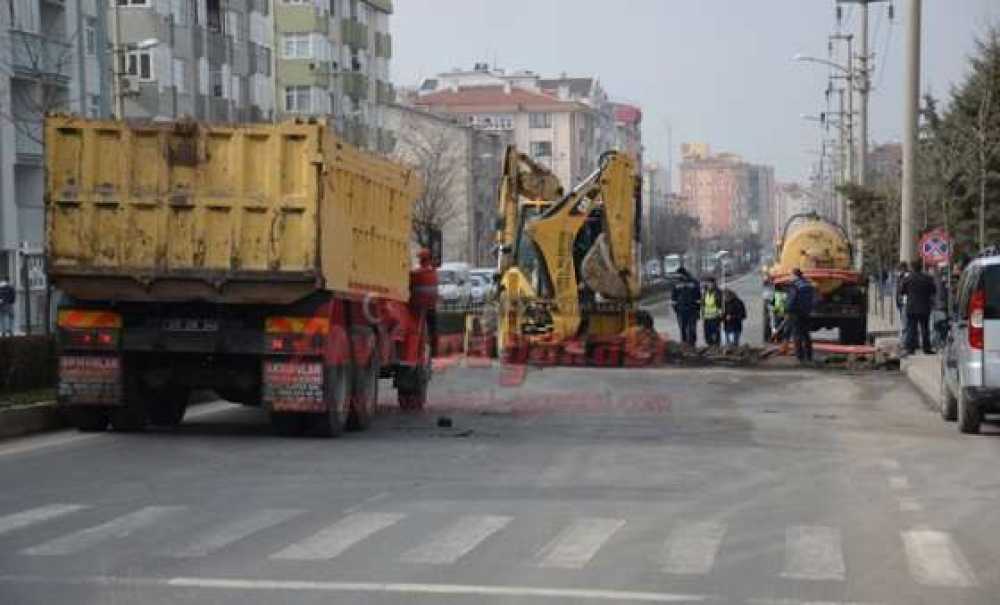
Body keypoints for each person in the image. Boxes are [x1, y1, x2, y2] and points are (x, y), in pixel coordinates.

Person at [901, 261, 937, 355]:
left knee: (911, 328)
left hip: (911, 307)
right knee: (925, 328)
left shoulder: (908, 278)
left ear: (912, 268)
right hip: (924, 306)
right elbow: (933, 290)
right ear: (921, 268)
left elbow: (902, 291)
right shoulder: (928, 278)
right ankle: (926, 348)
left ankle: (910, 348)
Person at [786, 268, 815, 363]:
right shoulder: (808, 284)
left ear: (795, 276)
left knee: (797, 335)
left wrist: (788, 310)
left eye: (791, 275)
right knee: (806, 335)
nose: (790, 277)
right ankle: (809, 356)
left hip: (796, 313)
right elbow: (814, 299)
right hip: (806, 313)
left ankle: (800, 357)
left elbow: (792, 300)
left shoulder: (795, 285)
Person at [671, 267, 701, 346]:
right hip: (681, 311)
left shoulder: (694, 282)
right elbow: (673, 298)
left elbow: (698, 296)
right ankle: (684, 345)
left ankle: (692, 345)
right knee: (683, 329)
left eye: (678, 275)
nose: (677, 277)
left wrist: (697, 309)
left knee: (692, 329)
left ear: (683, 274)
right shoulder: (676, 283)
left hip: (692, 310)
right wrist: (676, 309)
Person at [701, 277, 723, 347]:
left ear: (714, 283)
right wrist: (702, 313)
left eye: (710, 283)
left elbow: (720, 304)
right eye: (708, 283)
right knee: (707, 334)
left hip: (715, 317)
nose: (709, 285)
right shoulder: (705, 292)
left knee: (715, 333)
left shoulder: (718, 292)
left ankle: (716, 346)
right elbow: (703, 304)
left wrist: (720, 314)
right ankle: (710, 346)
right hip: (707, 317)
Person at [895, 261, 911, 346]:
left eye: (900, 269)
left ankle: (905, 341)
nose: (898, 271)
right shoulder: (900, 277)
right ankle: (905, 340)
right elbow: (898, 291)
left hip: (906, 302)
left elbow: (902, 290)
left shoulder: (908, 277)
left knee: (905, 323)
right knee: (904, 322)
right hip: (901, 302)